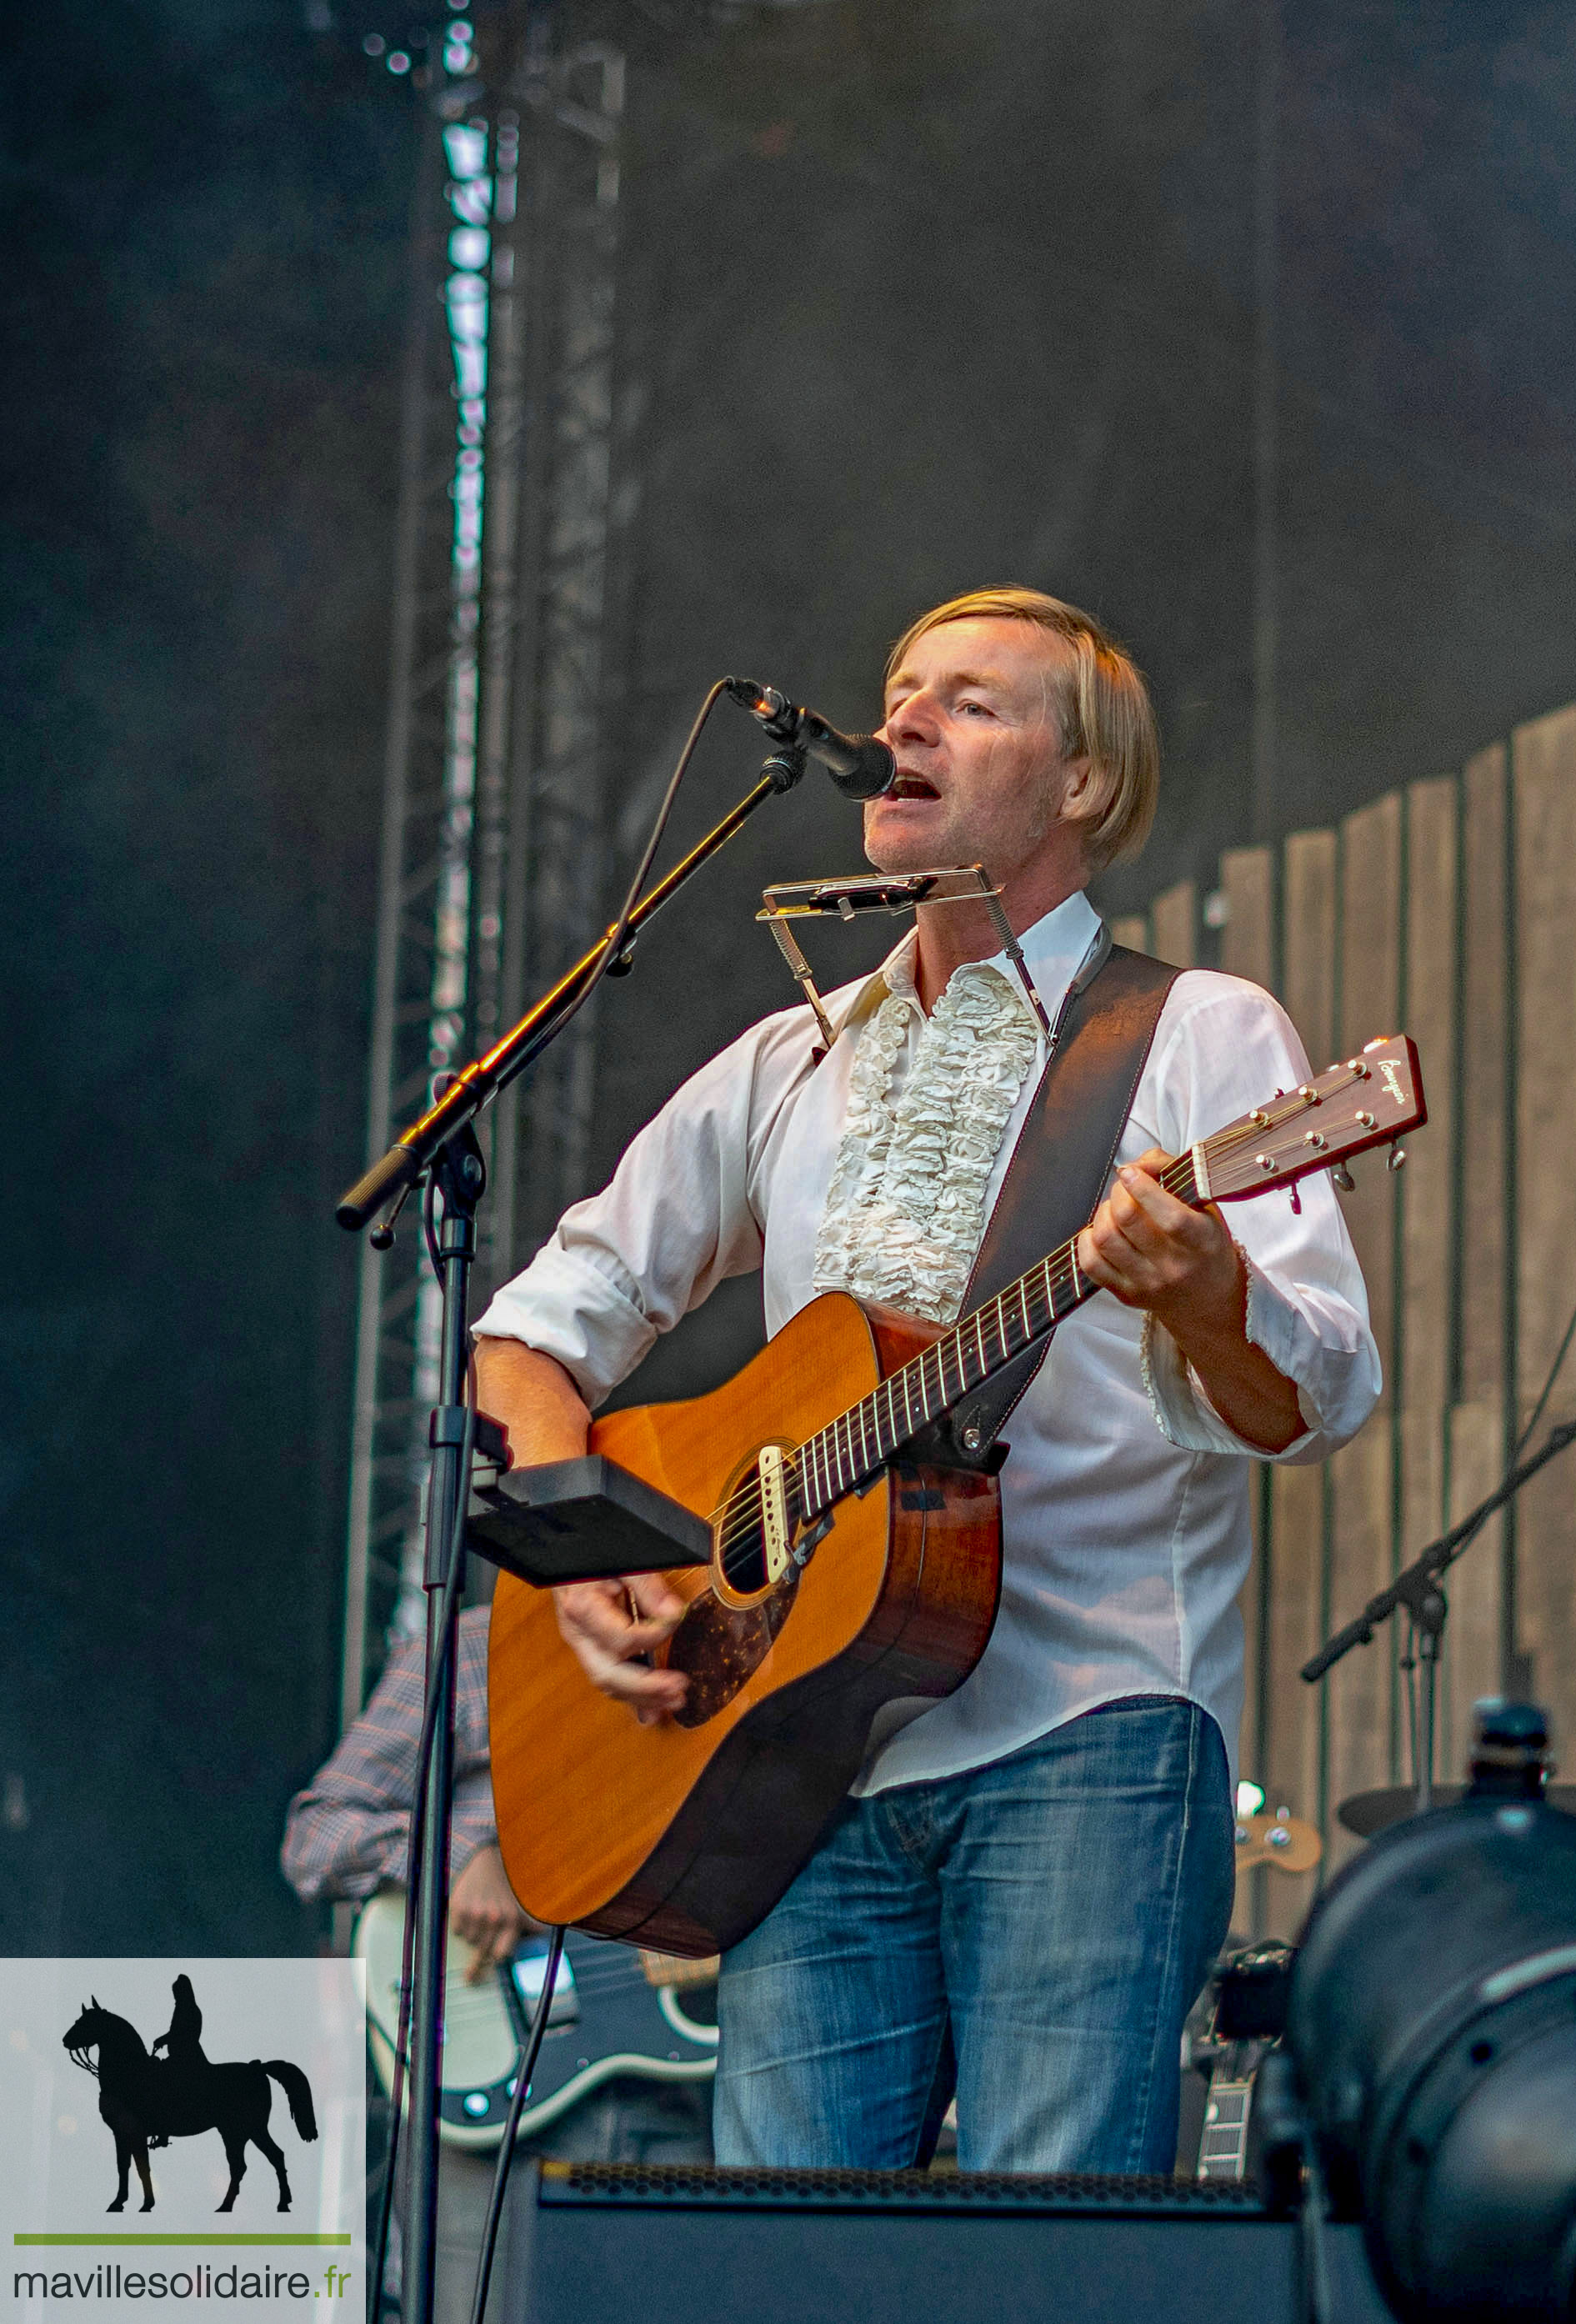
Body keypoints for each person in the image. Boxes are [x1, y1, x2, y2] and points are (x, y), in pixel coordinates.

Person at [471, 585, 1381, 2174]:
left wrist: (1208, 1289)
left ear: (1079, 783)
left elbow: (1314, 1390)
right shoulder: (792, 1056)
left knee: (1037, 2267)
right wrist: (585, 1549)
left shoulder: (1193, 1032)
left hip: (1086, 1733)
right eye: (898, 691)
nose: (898, 720)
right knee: (792, 2273)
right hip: (791, 1756)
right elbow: (539, 1324)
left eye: (966, 700)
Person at [281, 1605, 710, 2322]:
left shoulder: (720, 1650)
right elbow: (316, 1835)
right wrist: (459, 1860)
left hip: (666, 2104)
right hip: (489, 2109)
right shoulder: (473, 1646)